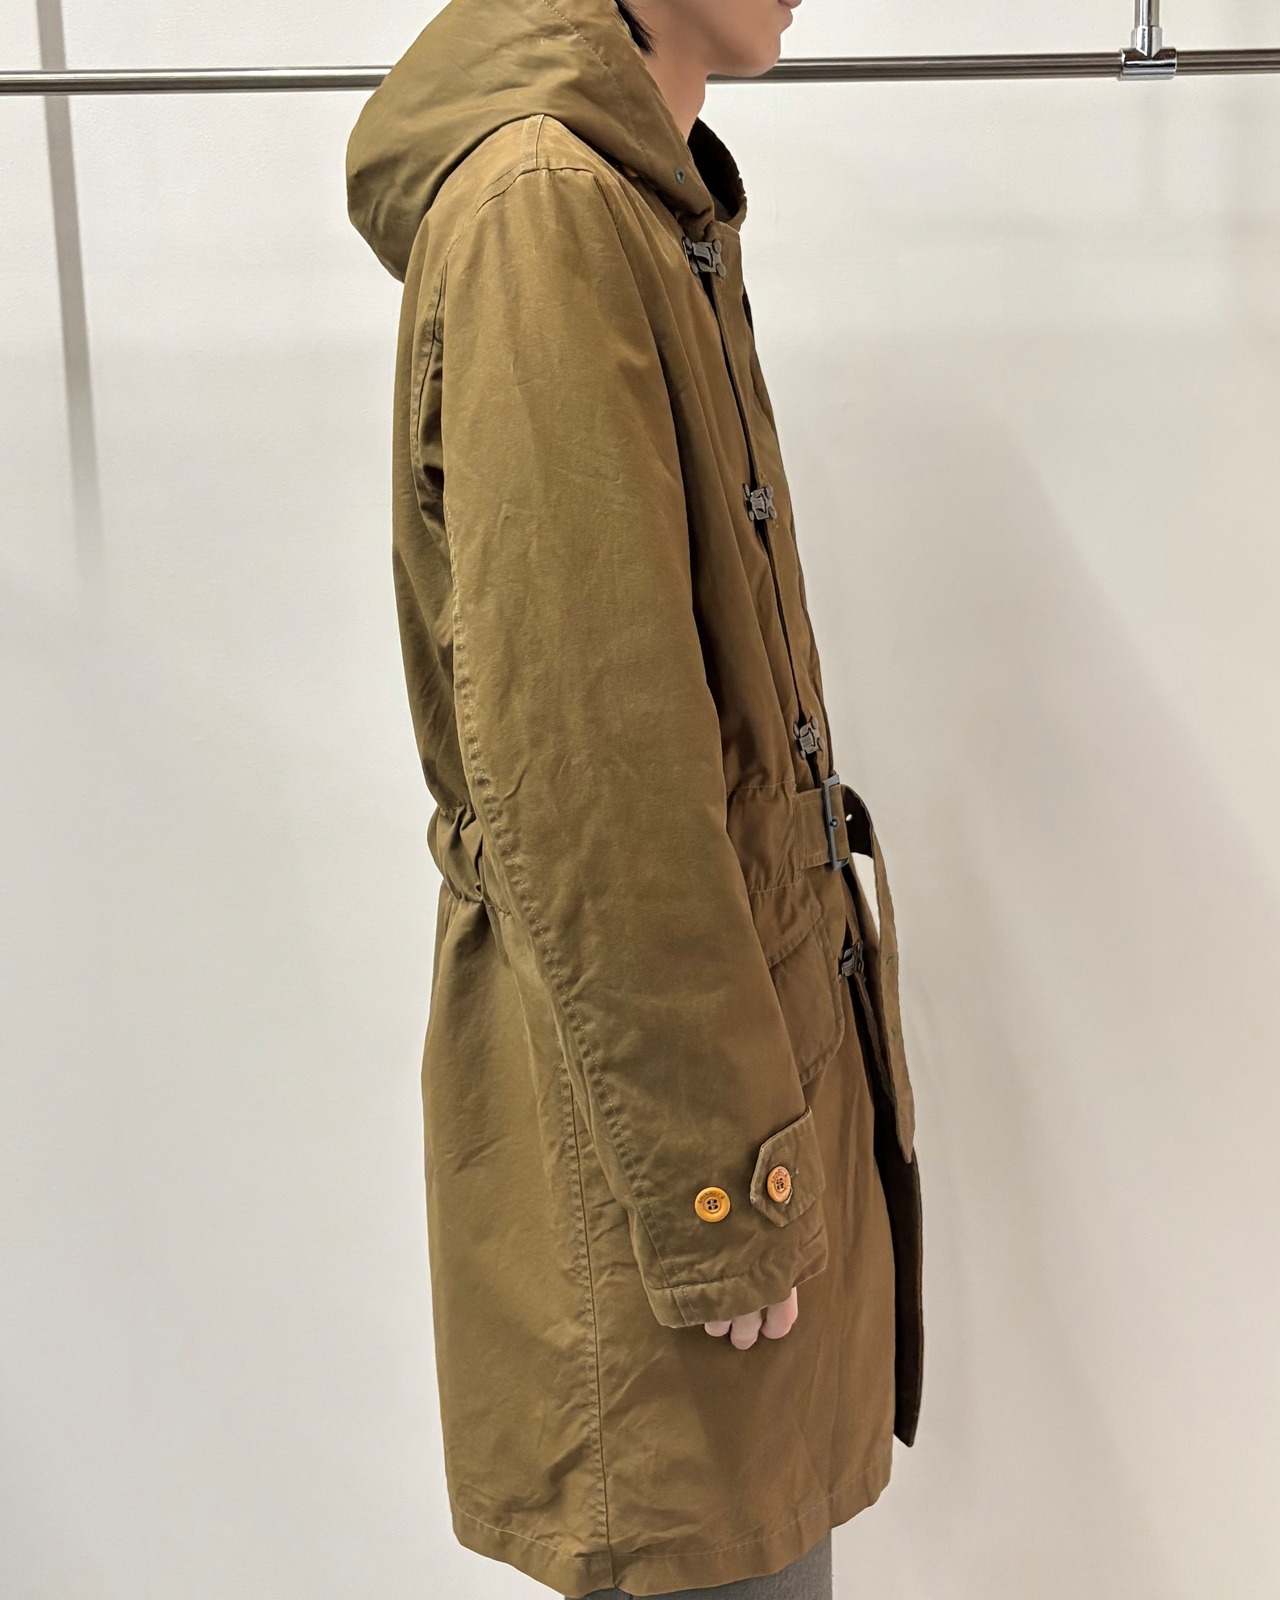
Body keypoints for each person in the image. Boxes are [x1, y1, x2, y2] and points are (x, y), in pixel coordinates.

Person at [345, 0, 924, 1595]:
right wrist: (721, 1185)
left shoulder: (626, 194)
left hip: (724, 1101)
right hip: (670, 1155)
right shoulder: (543, 209)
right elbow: (590, 769)